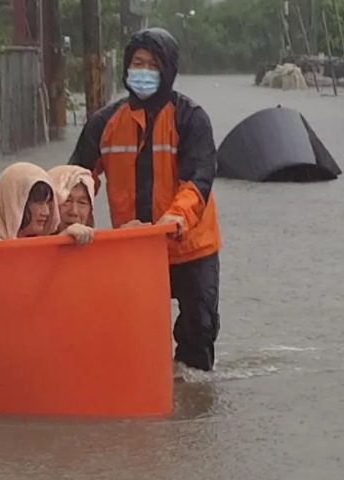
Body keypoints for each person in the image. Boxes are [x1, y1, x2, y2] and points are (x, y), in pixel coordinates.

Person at [69, 28, 222, 373]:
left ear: (168, 70)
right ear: (126, 68)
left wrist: (175, 218)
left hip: (190, 246)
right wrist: (68, 218)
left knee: (198, 333)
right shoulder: (104, 122)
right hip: (132, 248)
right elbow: (77, 180)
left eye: (153, 65)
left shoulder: (190, 118)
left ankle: (191, 405)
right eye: (137, 63)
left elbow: (198, 181)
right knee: (130, 333)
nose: (144, 71)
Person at [0, 162, 92, 244]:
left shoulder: (32, 239)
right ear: (15, 202)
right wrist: (59, 243)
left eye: (48, 203)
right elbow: (19, 275)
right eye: (38, 203)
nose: (46, 212)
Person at [48, 164, 97, 230]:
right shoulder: (30, 239)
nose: (74, 212)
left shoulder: (102, 239)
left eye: (82, 202)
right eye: (66, 201)